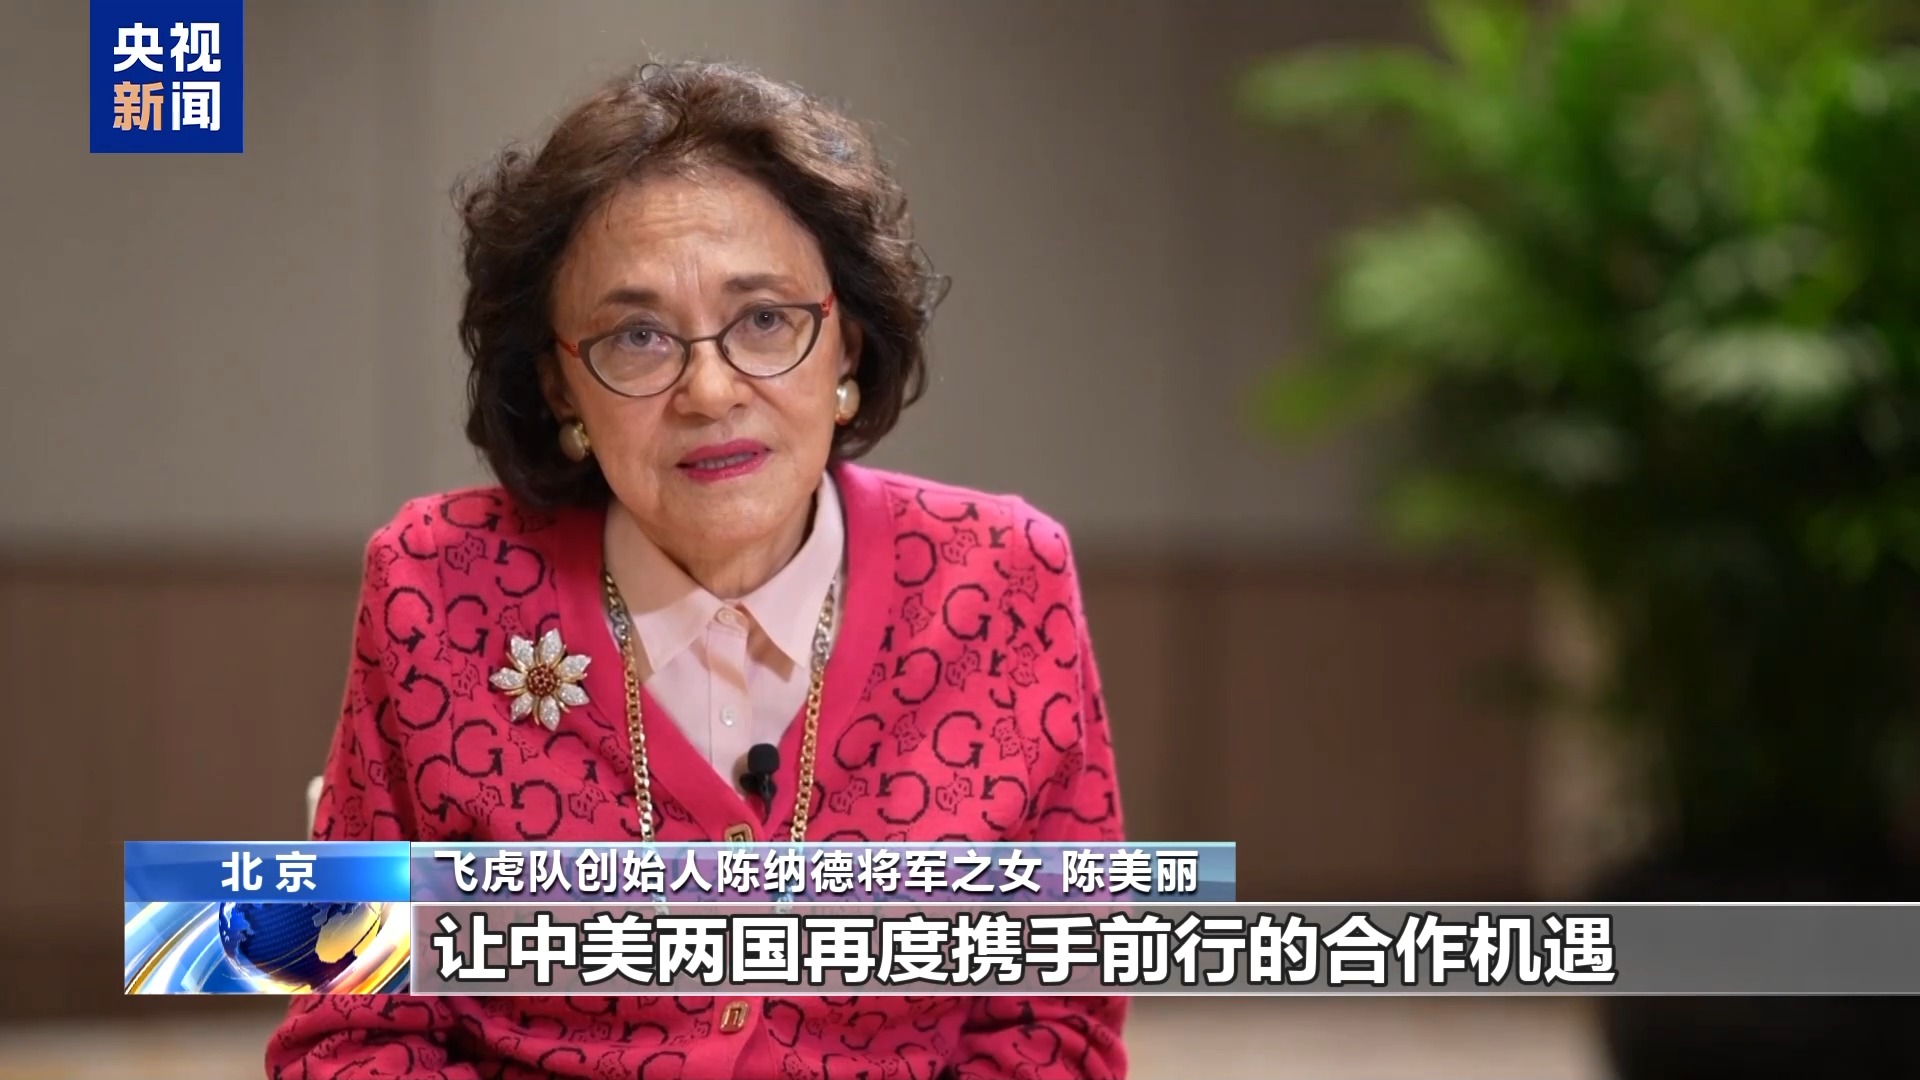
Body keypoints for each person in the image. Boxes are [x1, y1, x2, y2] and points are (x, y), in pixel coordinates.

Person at [267, 60, 1127, 1080]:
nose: (710, 391)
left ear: (847, 344)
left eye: (764, 319)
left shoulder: (1002, 583)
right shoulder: (439, 586)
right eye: (638, 336)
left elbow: (1052, 1032)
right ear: (561, 387)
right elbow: (350, 1033)